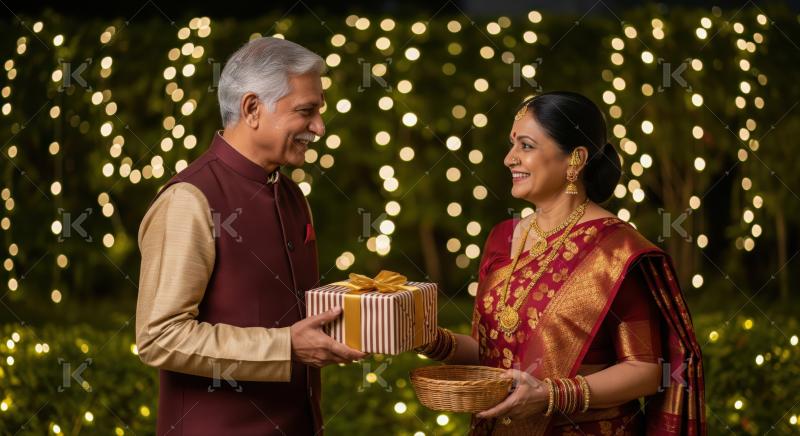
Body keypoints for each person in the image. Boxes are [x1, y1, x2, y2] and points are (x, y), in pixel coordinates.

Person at [415, 91, 705, 435]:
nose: (509, 159)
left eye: (525, 146)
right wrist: (430, 339)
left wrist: (555, 395)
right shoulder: (502, 238)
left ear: (576, 159)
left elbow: (645, 370)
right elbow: (490, 354)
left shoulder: (615, 250)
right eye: (511, 145)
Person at [135, 37, 366, 435]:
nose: (319, 127)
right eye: (306, 111)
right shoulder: (189, 199)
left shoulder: (293, 196)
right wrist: (285, 347)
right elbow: (159, 337)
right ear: (252, 109)